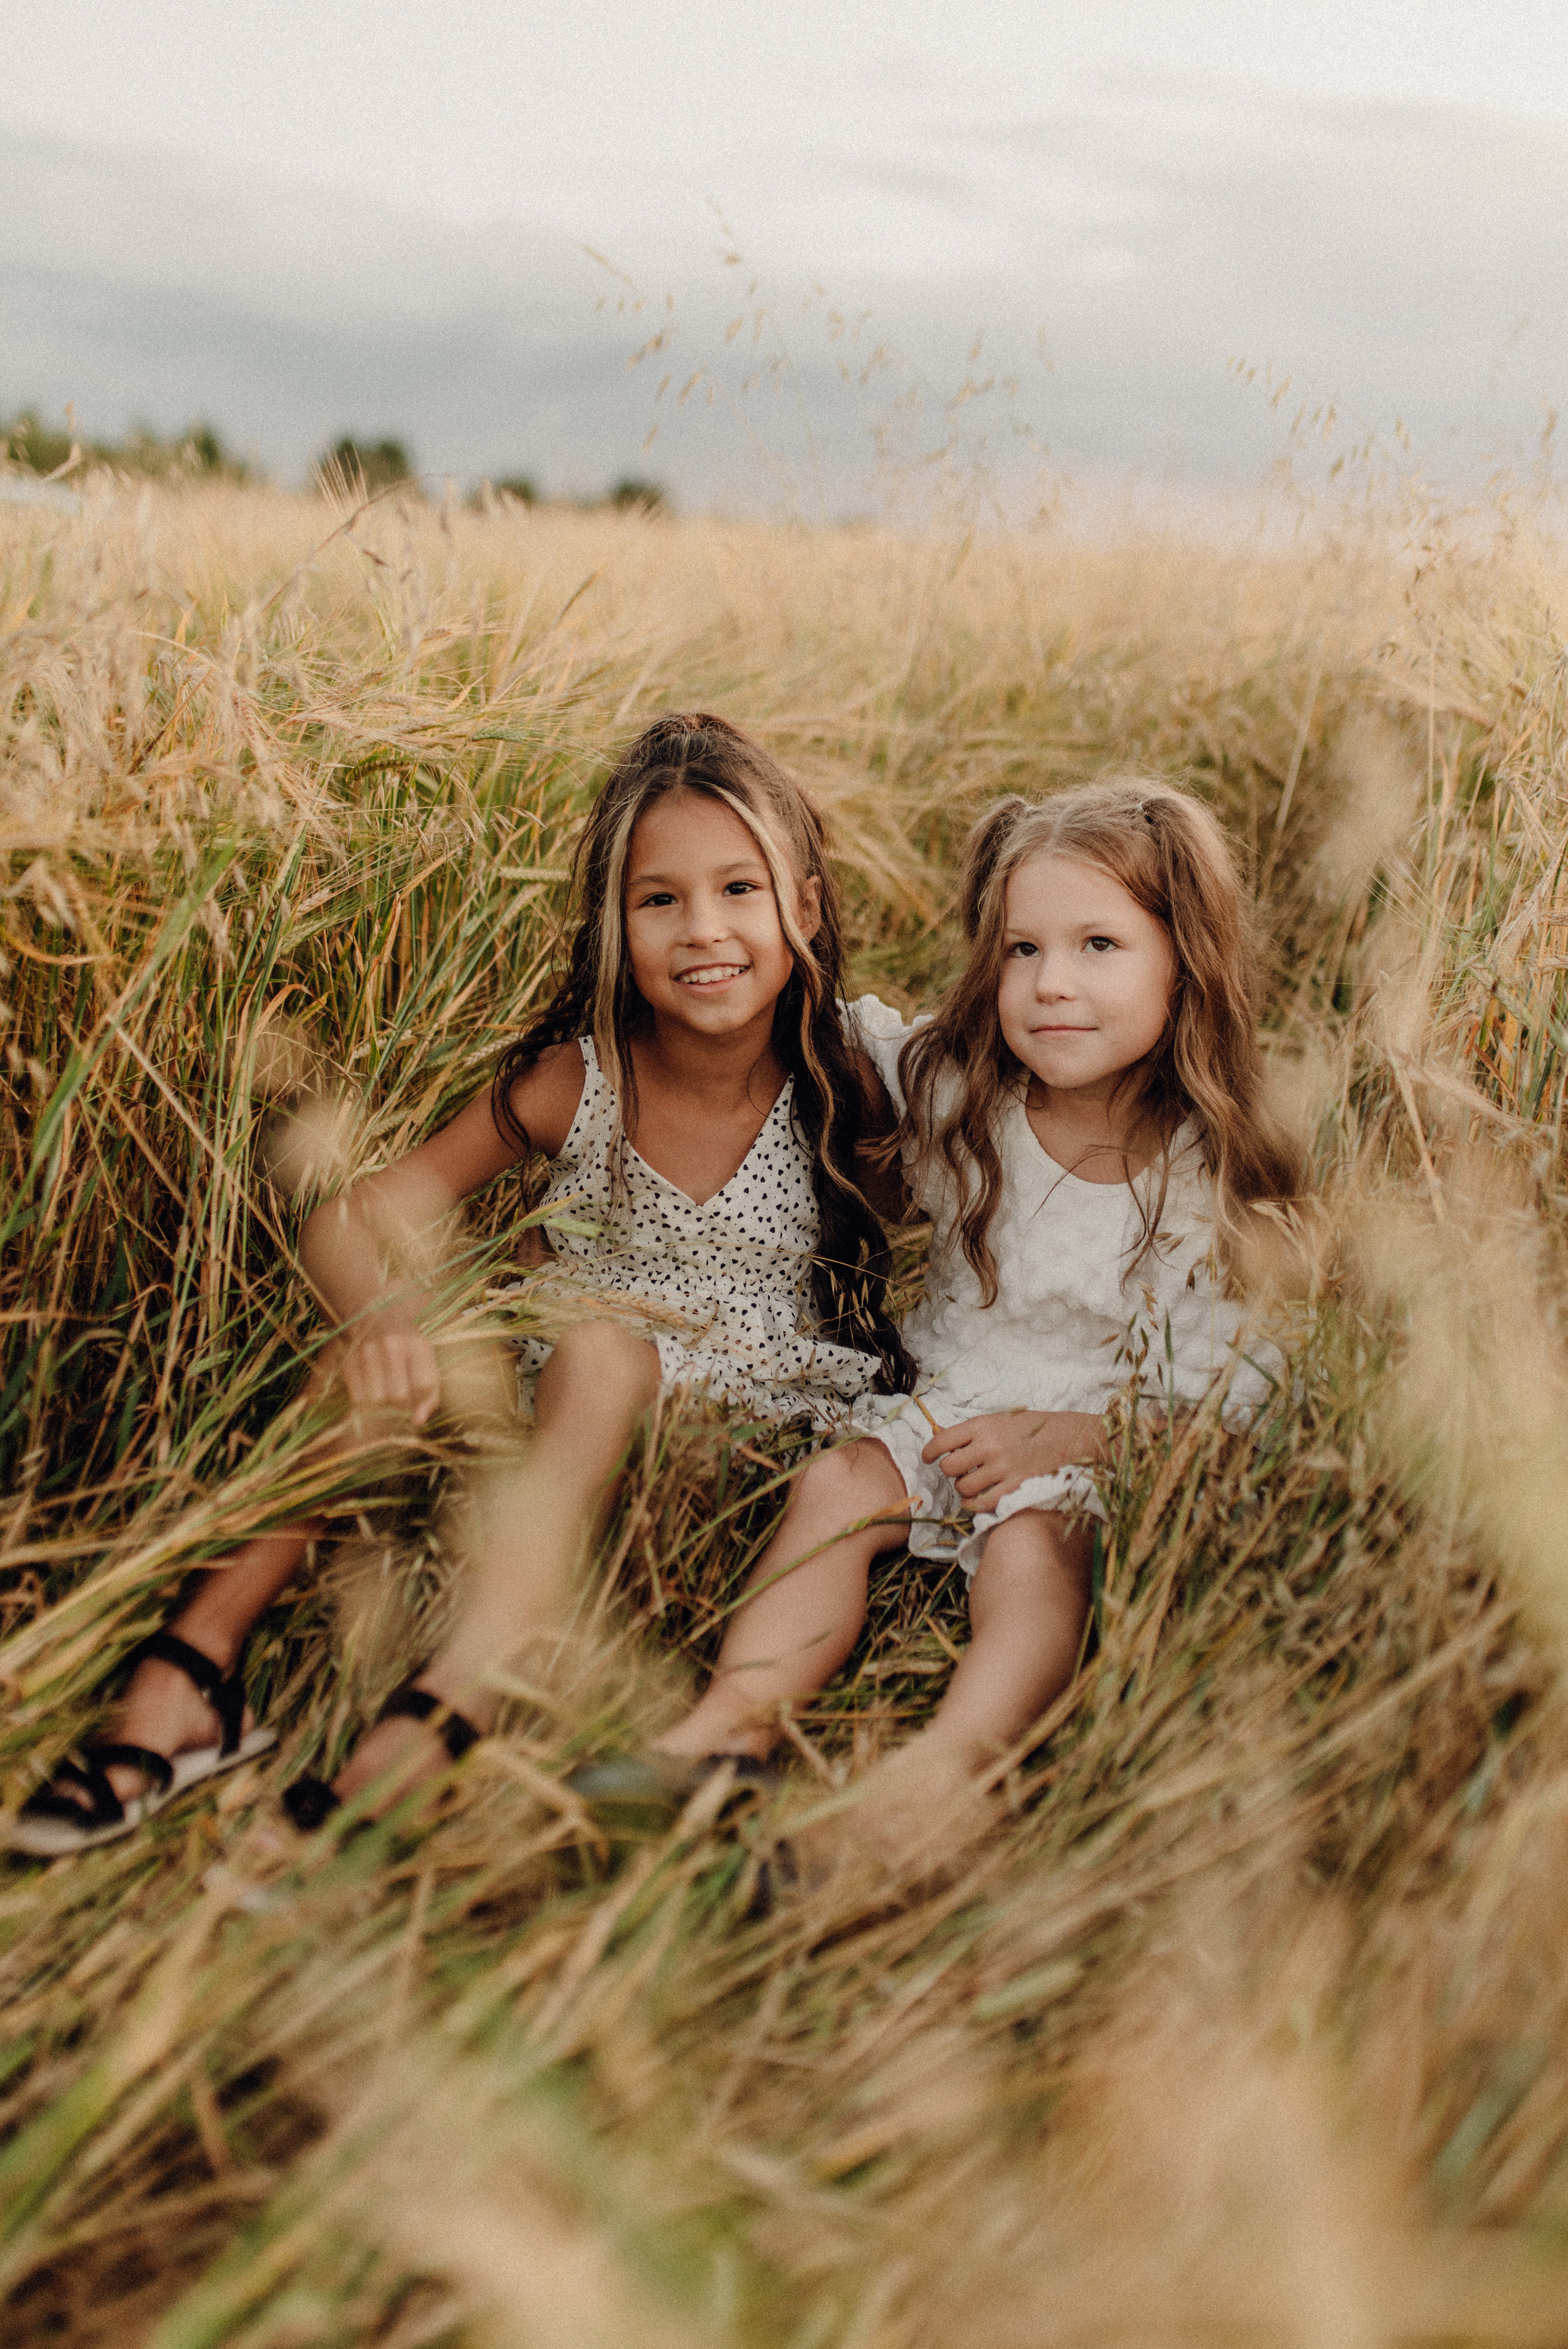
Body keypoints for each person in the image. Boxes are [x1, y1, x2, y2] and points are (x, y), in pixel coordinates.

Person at [10, 714, 911, 1853]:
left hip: (744, 1424)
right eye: (660, 899)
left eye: (741, 888)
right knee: (389, 1365)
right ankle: (190, 1675)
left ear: (808, 906)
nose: (705, 931)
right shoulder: (578, 1081)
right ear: (613, 926)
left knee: (596, 1351)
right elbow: (356, 1214)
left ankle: (446, 1707)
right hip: (570, 1391)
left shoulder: (848, 1079)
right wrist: (386, 1320)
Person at [647, 778, 1299, 1880]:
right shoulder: (963, 1096)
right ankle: (728, 1729)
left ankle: (940, 1781)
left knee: (1032, 1561)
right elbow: (845, 1037)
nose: (1052, 986)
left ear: (1186, 959)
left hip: (1099, 1430)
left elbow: (1248, 1385)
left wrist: (1069, 1441)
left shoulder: (1214, 1165)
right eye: (1021, 951)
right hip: (952, 1400)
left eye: (1099, 945)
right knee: (841, 1484)